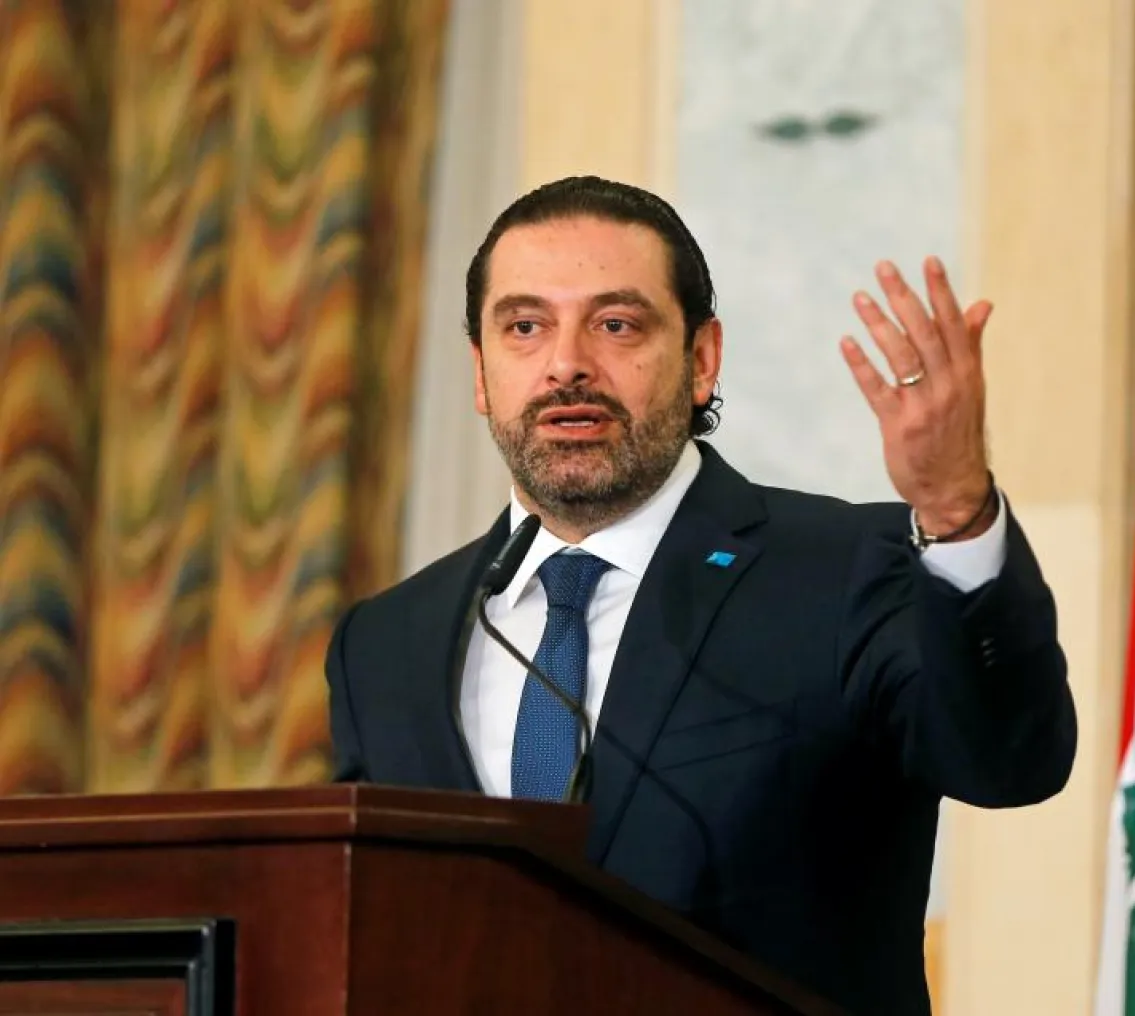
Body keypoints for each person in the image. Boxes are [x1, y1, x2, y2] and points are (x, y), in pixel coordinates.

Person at [324, 176, 1076, 1014]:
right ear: (481, 372)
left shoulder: (847, 571)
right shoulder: (383, 644)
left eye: (616, 325)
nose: (567, 363)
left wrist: (955, 512)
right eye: (526, 326)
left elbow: (1009, 760)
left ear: (702, 360)